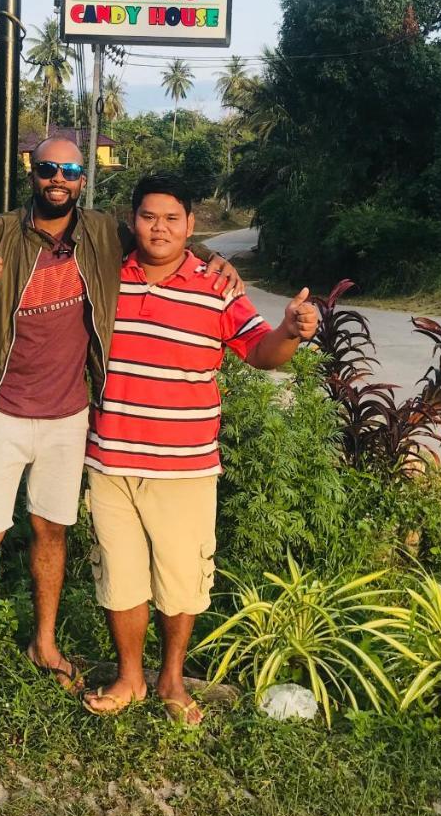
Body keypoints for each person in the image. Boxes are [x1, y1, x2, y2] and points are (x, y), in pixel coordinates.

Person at [0, 138, 243, 742]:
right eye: (48, 169)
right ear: (33, 174)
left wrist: (210, 257)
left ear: (83, 180)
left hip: (69, 419)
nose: (58, 179)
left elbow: (162, 234)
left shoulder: (99, 233)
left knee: (52, 532)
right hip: (0, 414)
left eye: (69, 170)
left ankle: (45, 644)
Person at [82, 171, 318, 725]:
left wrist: (290, 330)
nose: (158, 228)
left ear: (191, 224)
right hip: (110, 458)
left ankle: (171, 679)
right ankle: (129, 677)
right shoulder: (107, 276)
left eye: (171, 218)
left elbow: (260, 353)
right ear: (131, 220)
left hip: (185, 465)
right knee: (119, 576)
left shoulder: (218, 287)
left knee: (182, 581)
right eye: (147, 216)